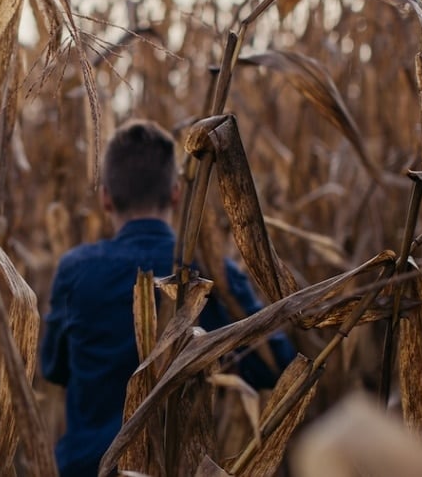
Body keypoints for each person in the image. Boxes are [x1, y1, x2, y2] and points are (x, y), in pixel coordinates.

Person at [40, 119, 296, 476]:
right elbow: (276, 362)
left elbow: (52, 368)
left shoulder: (75, 270)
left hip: (89, 467)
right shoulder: (210, 273)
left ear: (106, 199)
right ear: (176, 193)